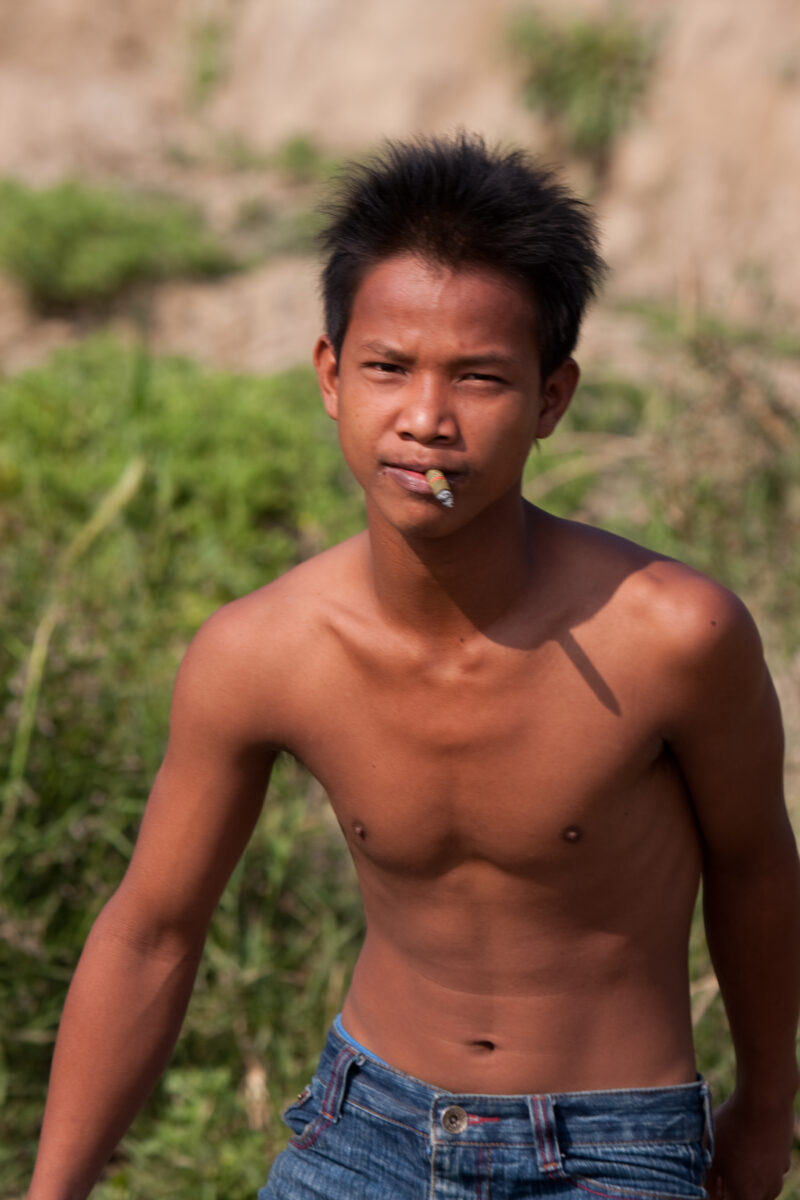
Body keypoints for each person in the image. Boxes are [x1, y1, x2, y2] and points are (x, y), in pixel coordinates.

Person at [29, 134, 799, 1200]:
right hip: (362, 1130)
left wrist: (765, 1106)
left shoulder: (671, 634)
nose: (425, 421)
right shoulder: (263, 652)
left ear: (549, 399)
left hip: (611, 1152)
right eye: (388, 368)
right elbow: (152, 932)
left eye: (478, 378)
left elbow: (756, 867)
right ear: (330, 377)